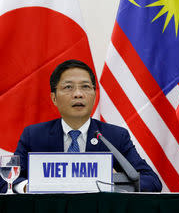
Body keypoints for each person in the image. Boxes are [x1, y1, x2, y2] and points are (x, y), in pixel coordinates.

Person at [0, 59, 162, 193]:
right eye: (68, 87)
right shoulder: (34, 136)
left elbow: (151, 181)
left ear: (94, 94)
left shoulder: (115, 136)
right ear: (54, 98)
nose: (78, 94)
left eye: (85, 87)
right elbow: (5, 180)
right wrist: (27, 186)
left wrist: (110, 181)